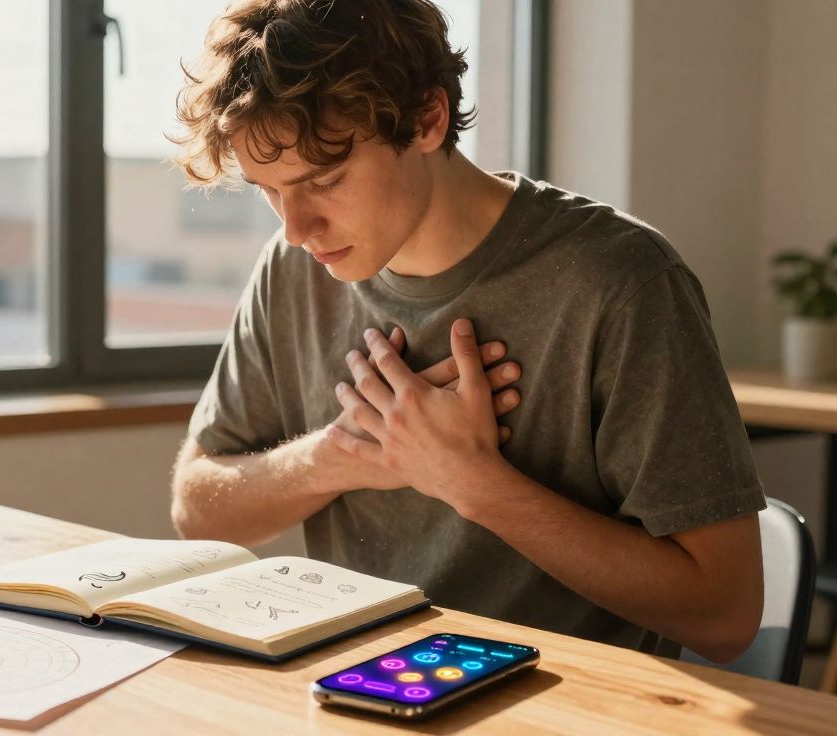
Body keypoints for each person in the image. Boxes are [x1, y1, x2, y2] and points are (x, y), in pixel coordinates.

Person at [168, 0, 766, 662]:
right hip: (361, 686)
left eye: (325, 179)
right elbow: (198, 510)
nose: (296, 228)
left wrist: (471, 482)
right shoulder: (292, 268)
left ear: (427, 118)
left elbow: (725, 614)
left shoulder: (622, 282)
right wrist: (343, 454)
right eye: (268, 190)